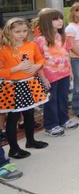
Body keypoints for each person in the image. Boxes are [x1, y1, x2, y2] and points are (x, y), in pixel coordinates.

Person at [0, 18, 49, 159]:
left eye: (24, 31)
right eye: (17, 31)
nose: (21, 34)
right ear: (9, 32)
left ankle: (31, 141)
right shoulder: (3, 49)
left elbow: (40, 59)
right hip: (13, 86)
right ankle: (13, 149)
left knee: (29, 114)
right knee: (13, 117)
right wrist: (17, 68)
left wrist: (36, 66)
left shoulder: (31, 45)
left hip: (30, 83)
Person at [34, 8, 79, 136]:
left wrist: (70, 70)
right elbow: (38, 61)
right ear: (47, 22)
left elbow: (67, 54)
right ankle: (51, 125)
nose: (60, 21)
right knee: (51, 101)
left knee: (63, 98)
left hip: (64, 73)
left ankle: (64, 120)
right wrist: (43, 78)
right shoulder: (40, 40)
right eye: (55, 19)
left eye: (60, 18)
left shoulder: (62, 36)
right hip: (49, 76)